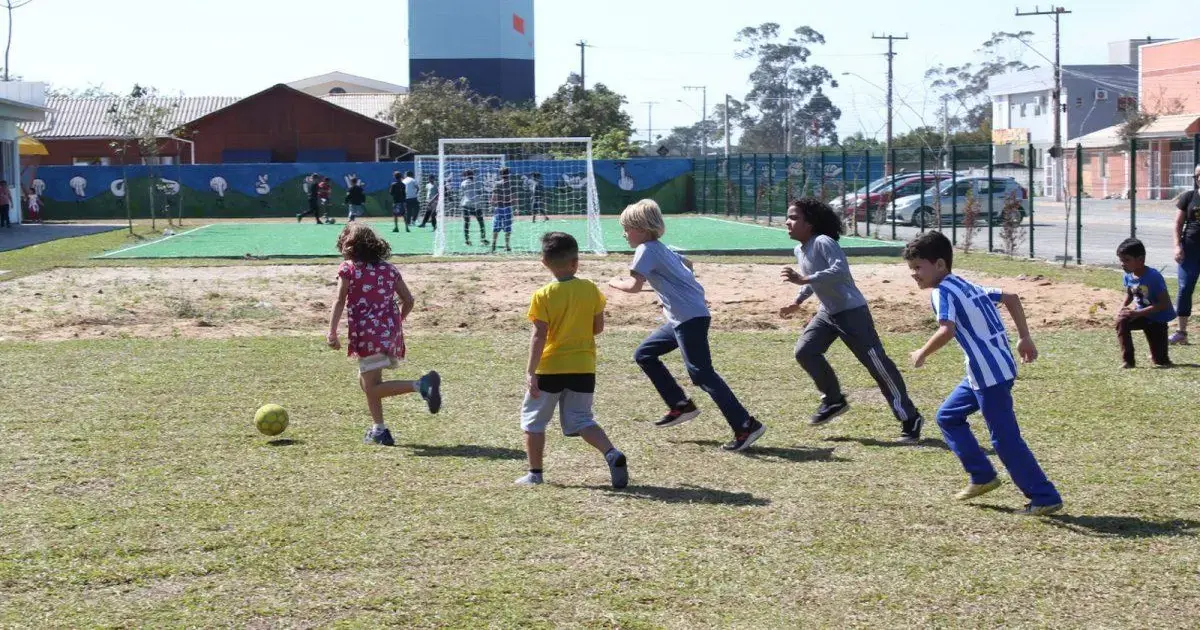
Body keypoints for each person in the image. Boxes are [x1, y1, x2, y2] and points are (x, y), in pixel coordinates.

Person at [903, 231, 1063, 516]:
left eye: (918, 268)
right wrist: (1024, 337)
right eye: (911, 269)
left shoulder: (943, 292)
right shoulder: (965, 285)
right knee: (948, 417)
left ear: (939, 265)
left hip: (989, 375)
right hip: (994, 369)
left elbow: (946, 330)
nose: (914, 274)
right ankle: (982, 476)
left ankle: (1044, 496)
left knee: (1005, 439)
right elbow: (1011, 297)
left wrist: (922, 353)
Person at [609, 199, 766, 452]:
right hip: (684, 316)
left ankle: (746, 425)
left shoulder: (645, 250)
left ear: (640, 227)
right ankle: (681, 405)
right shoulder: (661, 248)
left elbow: (633, 287)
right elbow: (688, 264)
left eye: (627, 228)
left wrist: (612, 283)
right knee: (645, 354)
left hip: (688, 317)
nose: (624, 233)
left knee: (702, 374)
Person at [779, 198, 925, 442]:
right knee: (805, 351)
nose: (788, 222)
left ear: (811, 223)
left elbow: (839, 270)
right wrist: (798, 300)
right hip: (828, 312)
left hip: (851, 311)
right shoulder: (800, 249)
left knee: (877, 365)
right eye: (788, 217)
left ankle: (910, 418)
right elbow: (813, 279)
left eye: (794, 217)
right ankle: (834, 400)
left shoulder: (823, 242)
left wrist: (804, 280)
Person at [517, 231, 628, 488]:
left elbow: (539, 335)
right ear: (576, 262)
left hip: (550, 368)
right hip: (583, 367)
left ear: (544, 262)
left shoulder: (542, 295)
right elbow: (597, 327)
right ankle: (612, 453)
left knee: (533, 421)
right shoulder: (590, 289)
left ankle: (535, 474)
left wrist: (531, 372)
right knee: (581, 420)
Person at [327, 222, 443, 446]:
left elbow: (339, 300)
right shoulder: (389, 269)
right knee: (367, 382)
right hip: (389, 332)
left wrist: (332, 332)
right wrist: (396, 322)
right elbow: (408, 300)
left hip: (367, 335)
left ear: (351, 245)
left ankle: (421, 385)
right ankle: (379, 430)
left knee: (371, 386)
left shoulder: (348, 269)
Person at [1116, 237, 1176, 368]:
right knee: (1122, 320)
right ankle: (1128, 361)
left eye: (1126, 260)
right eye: (1121, 260)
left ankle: (1158, 355)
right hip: (1142, 316)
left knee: (1160, 361)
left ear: (1140, 260)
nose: (1122, 263)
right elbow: (1130, 293)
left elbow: (1164, 304)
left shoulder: (1153, 277)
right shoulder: (1128, 275)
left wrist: (1138, 313)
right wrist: (1122, 307)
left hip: (1157, 320)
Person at [1169, 165, 1200, 345]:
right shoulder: (1188, 197)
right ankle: (1181, 332)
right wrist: (1177, 246)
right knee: (1184, 288)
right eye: (1198, 175)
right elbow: (1177, 225)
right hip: (1190, 250)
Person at [459, 169, 489, 246]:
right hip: (476, 205)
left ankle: (467, 241)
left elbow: (463, 193)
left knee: (466, 223)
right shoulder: (477, 182)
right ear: (473, 175)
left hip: (466, 204)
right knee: (481, 222)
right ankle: (482, 240)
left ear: (466, 175)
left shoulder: (463, 183)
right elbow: (480, 193)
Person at [490, 167, 515, 253]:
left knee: (496, 226)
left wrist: (492, 204)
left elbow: (493, 197)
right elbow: (513, 197)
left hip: (498, 208)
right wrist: (516, 208)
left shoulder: (497, 184)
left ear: (500, 174)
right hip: (507, 208)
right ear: (508, 174)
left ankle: (493, 244)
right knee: (507, 227)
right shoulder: (511, 184)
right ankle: (507, 245)